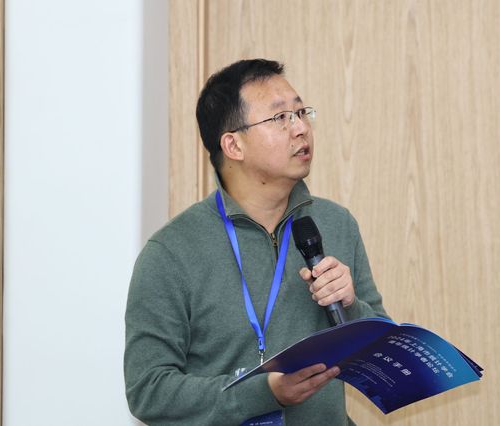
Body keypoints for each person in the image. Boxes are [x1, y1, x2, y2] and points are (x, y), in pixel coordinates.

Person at [124, 59, 388, 425]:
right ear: (233, 145)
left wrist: (351, 306)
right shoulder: (171, 253)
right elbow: (148, 390)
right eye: (281, 118)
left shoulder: (335, 223)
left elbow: (384, 353)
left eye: (302, 112)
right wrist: (263, 392)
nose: (301, 128)